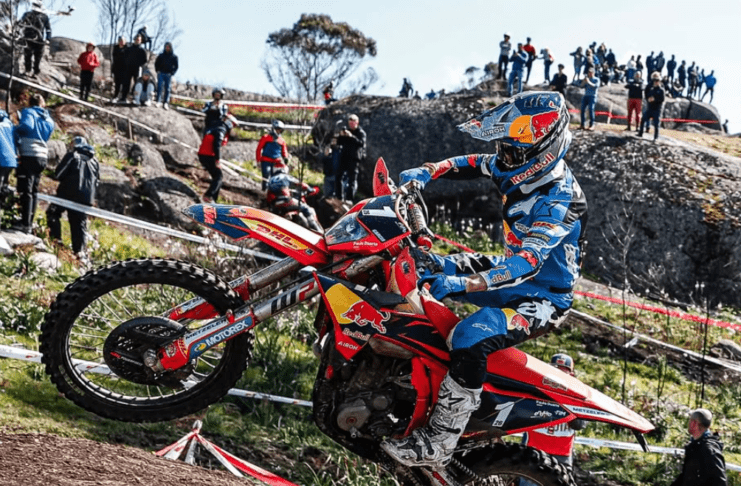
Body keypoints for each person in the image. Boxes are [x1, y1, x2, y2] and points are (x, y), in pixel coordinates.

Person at [381, 91, 587, 468]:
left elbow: (527, 262)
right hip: (508, 268)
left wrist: (464, 285)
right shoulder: (519, 163)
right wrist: (429, 171)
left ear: (542, 150)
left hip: (542, 296)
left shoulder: (559, 200)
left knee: (469, 336)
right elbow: (474, 162)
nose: (503, 158)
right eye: (503, 147)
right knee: (422, 264)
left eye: (512, 151)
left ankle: (440, 440)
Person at [520, 353, 586, 486]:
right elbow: (522, 412)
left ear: (571, 375)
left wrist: (566, 401)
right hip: (534, 451)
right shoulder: (536, 388)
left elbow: (579, 424)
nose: (559, 376)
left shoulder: (578, 395)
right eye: (556, 370)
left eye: (563, 372)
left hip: (562, 456)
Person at [46, 136, 99, 260]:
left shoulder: (72, 156)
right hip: (87, 198)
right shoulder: (95, 161)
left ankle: (56, 241)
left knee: (53, 213)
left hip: (68, 194)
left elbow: (59, 174)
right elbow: (97, 181)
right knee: (79, 224)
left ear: (74, 145)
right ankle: (79, 253)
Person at [13, 93, 54, 234]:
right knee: (34, 191)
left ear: (30, 103)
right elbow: (48, 133)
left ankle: (24, 223)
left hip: (29, 154)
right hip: (42, 156)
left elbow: (27, 126)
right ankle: (29, 222)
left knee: (26, 190)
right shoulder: (48, 118)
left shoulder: (28, 112)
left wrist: (15, 129)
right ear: (42, 104)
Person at [670, 409, 727, 486]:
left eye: (690, 420)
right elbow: (687, 476)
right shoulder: (695, 446)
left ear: (694, 423)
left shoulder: (709, 450)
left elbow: (720, 482)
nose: (688, 423)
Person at [266, 162, 322, 232]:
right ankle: (317, 230)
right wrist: (311, 189)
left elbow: (268, 195)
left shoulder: (271, 180)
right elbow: (301, 184)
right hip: (287, 202)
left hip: (275, 205)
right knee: (307, 209)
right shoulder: (285, 176)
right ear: (284, 169)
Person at [197, 113, 236, 203]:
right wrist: (218, 159)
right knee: (218, 177)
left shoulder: (215, 126)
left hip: (204, 154)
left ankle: (213, 199)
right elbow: (217, 145)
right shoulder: (221, 129)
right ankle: (208, 196)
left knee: (217, 176)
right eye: (233, 125)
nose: (232, 128)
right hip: (208, 155)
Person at [334, 114, 366, 202]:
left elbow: (361, 143)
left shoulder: (361, 132)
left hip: (354, 158)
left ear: (357, 122)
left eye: (353, 122)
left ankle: (349, 198)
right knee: (338, 176)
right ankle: (339, 197)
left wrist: (351, 136)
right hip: (344, 157)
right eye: (350, 122)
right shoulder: (347, 131)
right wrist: (341, 135)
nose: (351, 124)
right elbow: (339, 143)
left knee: (352, 179)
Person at [256, 119, 291, 191]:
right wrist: (258, 160)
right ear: (273, 129)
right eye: (277, 129)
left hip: (276, 162)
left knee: (275, 179)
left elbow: (284, 152)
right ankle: (264, 191)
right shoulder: (265, 137)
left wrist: (286, 159)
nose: (279, 131)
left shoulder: (282, 140)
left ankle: (272, 193)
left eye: (280, 130)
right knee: (266, 177)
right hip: (266, 161)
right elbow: (258, 149)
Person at [19, 0, 51, 78]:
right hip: (28, 38)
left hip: (39, 40)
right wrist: (18, 32)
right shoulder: (27, 14)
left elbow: (48, 29)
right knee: (27, 56)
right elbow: (21, 23)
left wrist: (48, 38)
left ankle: (35, 73)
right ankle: (27, 70)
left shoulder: (44, 16)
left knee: (37, 58)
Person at [119, 35, 147, 103]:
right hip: (128, 68)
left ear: (141, 41)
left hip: (137, 69)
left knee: (137, 83)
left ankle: (135, 98)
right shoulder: (129, 48)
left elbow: (144, 60)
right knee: (126, 83)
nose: (137, 40)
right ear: (134, 39)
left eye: (139, 40)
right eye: (136, 39)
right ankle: (123, 98)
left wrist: (140, 65)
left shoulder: (142, 50)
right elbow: (124, 57)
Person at [638, 71, 665, 141]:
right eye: (655, 80)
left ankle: (656, 137)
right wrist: (648, 99)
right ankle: (640, 133)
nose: (656, 82)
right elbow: (647, 94)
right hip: (650, 108)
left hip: (657, 109)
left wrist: (655, 99)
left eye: (657, 80)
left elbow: (662, 99)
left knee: (656, 124)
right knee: (643, 119)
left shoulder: (661, 90)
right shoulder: (651, 88)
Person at [154, 42, 178, 109]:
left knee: (168, 88)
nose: (167, 48)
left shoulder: (174, 57)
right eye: (166, 46)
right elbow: (156, 63)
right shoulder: (161, 56)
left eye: (168, 47)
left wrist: (172, 73)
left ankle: (165, 103)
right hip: (161, 73)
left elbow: (176, 66)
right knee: (159, 86)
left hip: (168, 74)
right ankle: (158, 101)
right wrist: (157, 70)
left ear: (171, 47)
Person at [0, 110, 17, 203]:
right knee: (4, 182)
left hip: (2, 158)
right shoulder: (11, 126)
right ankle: (3, 201)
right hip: (11, 159)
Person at [111, 36, 127, 102]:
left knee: (124, 84)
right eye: (120, 41)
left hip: (124, 69)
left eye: (123, 41)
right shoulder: (115, 48)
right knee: (117, 84)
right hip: (116, 69)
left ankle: (123, 97)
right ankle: (116, 96)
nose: (121, 42)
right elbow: (114, 59)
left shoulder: (127, 49)